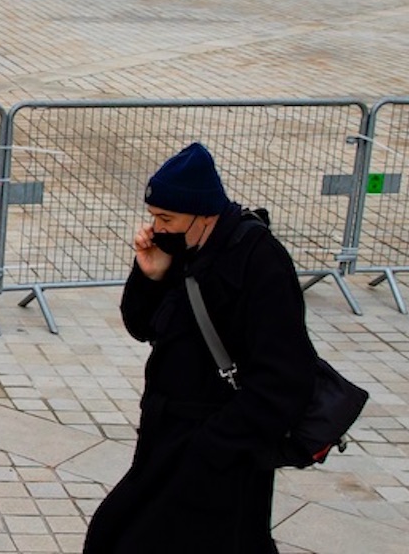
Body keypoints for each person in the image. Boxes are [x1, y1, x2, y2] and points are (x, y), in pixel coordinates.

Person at [82, 142, 317, 554]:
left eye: (166, 218)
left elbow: (285, 375)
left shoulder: (259, 260)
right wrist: (150, 275)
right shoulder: (187, 249)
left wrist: (213, 446)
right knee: (114, 534)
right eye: (154, 217)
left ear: (204, 214)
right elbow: (142, 326)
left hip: (219, 452)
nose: (157, 228)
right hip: (169, 439)